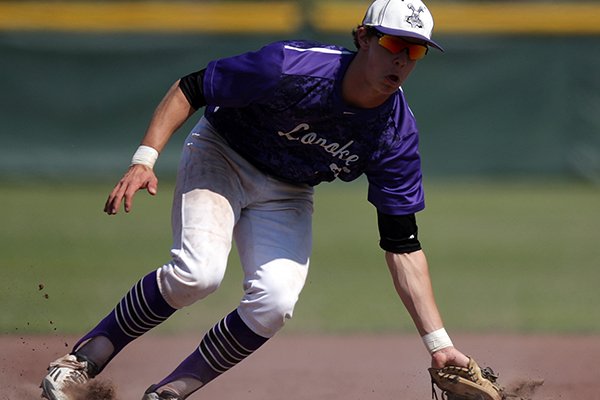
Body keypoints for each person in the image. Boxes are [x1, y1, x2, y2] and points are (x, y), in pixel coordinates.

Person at [41, 0, 471, 399]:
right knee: (197, 274)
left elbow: (402, 244)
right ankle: (79, 361)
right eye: (394, 42)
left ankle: (170, 392)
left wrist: (439, 345)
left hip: (289, 190)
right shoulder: (289, 66)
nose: (401, 59)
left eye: (415, 51)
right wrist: (145, 158)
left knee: (275, 303)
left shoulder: (395, 134)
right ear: (362, 38)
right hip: (222, 154)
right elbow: (192, 87)